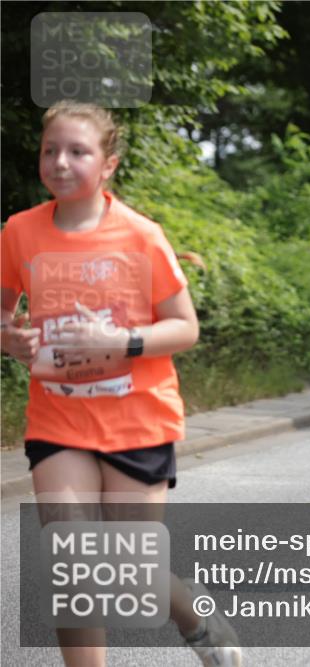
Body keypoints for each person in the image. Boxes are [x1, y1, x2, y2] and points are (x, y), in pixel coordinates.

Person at [0, 101, 241, 666]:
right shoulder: (18, 233)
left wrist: (124, 344)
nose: (60, 162)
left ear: (107, 164)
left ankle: (197, 620)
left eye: (77, 151)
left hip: (138, 419)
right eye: (49, 150)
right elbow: (3, 317)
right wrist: (9, 340)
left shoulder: (140, 235)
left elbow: (185, 327)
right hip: (58, 421)